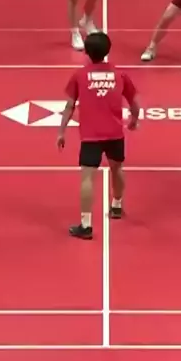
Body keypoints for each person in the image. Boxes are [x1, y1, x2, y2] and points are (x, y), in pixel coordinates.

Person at [58, 31, 140, 240]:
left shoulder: (79, 76)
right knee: (117, 168)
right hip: (115, 133)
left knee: (87, 177)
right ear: (107, 50)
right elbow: (134, 103)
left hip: (90, 136)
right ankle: (117, 205)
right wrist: (134, 120)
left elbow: (69, 106)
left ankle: (86, 225)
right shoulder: (120, 75)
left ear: (86, 52)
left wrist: (61, 131)